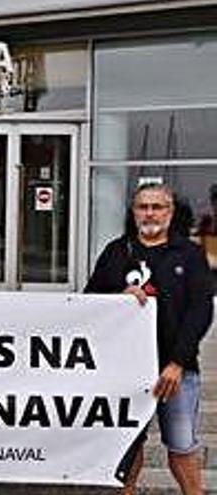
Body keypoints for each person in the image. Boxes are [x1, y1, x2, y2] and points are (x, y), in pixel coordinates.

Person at [85, 182, 213, 495]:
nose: (150, 213)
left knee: (182, 447)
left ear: (170, 212)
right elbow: (89, 302)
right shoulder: (116, 252)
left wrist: (177, 362)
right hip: (124, 372)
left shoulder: (190, 254)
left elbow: (200, 312)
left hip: (174, 370)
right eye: (143, 207)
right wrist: (119, 298)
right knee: (127, 446)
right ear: (133, 212)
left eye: (157, 207)